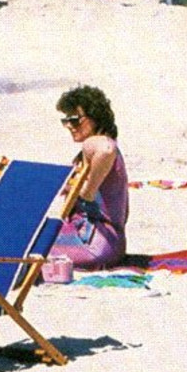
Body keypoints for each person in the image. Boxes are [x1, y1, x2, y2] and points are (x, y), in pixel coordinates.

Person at [48, 85, 129, 270]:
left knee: (22, 242)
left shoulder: (95, 142)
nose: (69, 125)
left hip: (93, 242)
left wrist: (88, 190)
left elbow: (106, 149)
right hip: (108, 242)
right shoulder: (91, 151)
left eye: (75, 120)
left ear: (95, 117)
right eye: (66, 120)